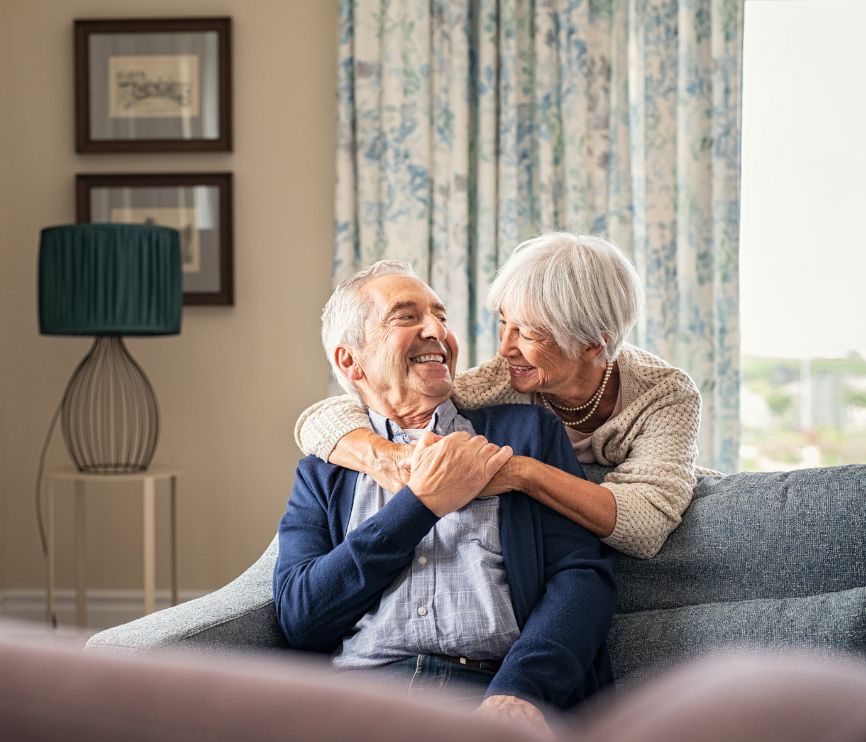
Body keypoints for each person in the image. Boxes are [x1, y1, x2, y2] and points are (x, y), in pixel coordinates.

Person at [274, 261, 616, 736]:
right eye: (406, 317)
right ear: (351, 361)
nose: (437, 330)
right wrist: (420, 505)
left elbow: (582, 579)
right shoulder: (324, 470)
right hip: (363, 701)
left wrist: (521, 691)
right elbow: (300, 617)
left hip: (491, 690)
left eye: (441, 317)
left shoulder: (524, 435)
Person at [295, 232, 703, 559]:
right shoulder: (499, 382)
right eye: (504, 324)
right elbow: (326, 417)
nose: (505, 348)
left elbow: (645, 525)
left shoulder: (664, 395)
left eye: (526, 333)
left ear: (591, 345)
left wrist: (521, 474)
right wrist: (388, 458)